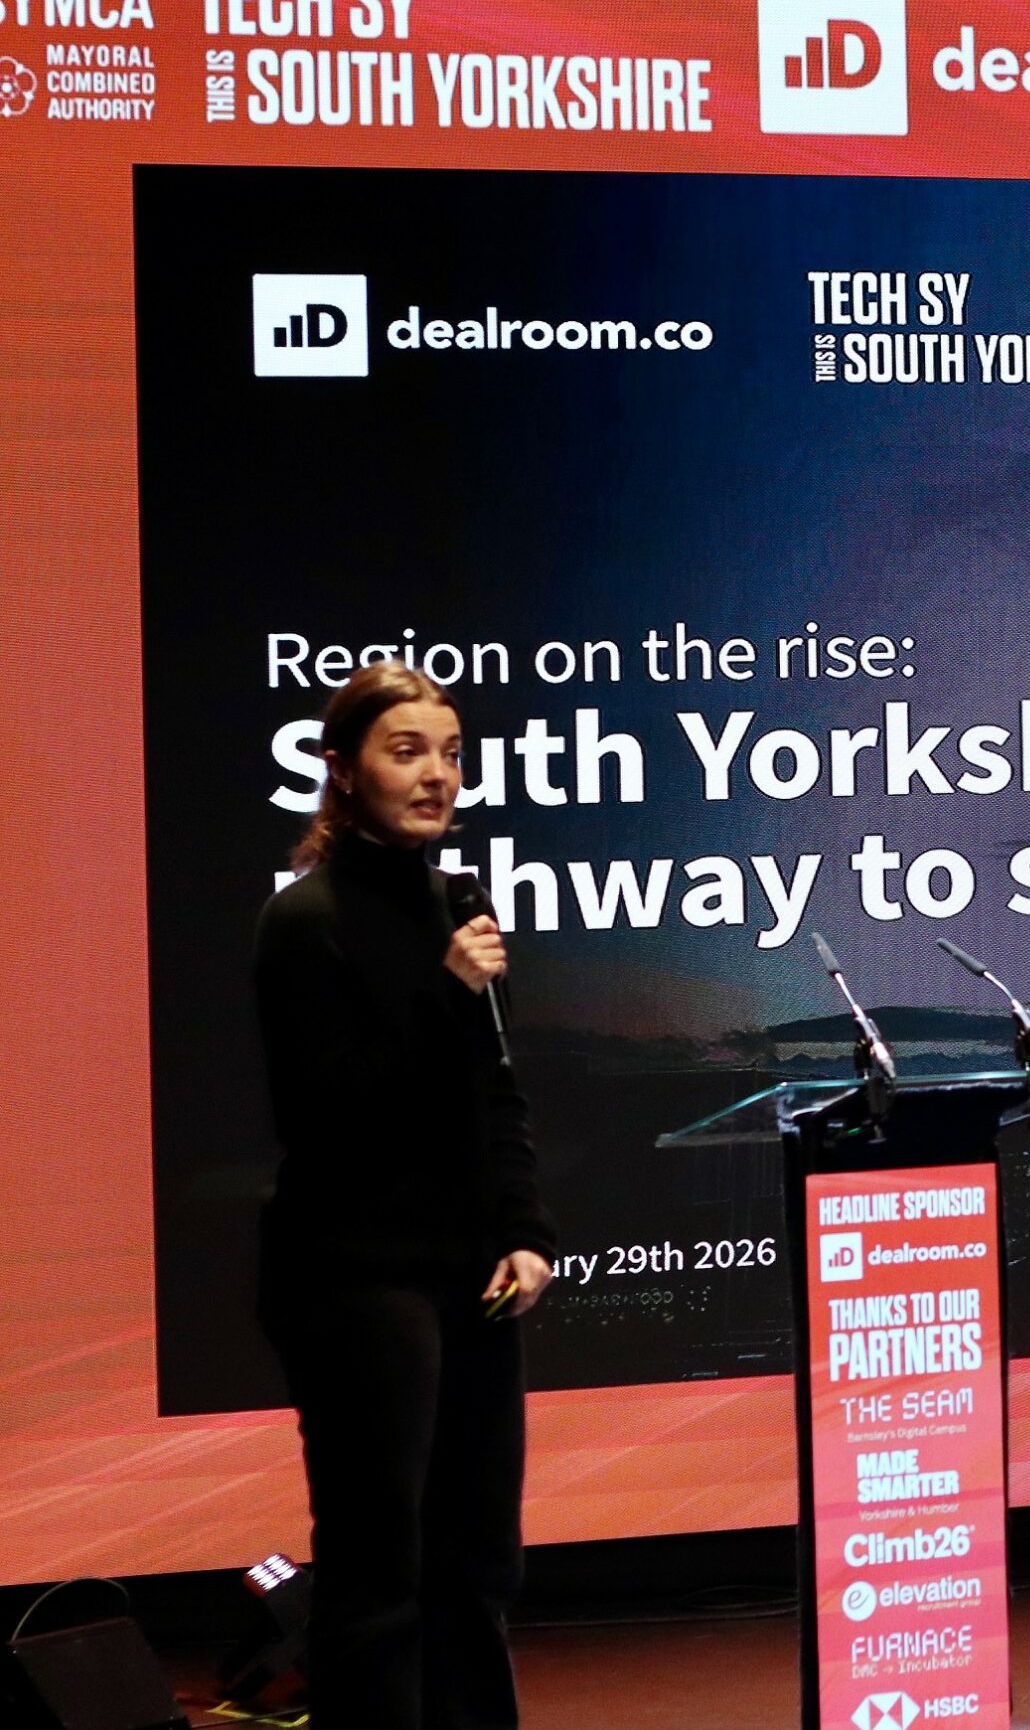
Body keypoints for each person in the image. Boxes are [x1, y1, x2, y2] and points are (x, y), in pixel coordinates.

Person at [253, 662, 556, 1730]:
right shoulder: (306, 920)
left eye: (452, 754)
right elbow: (332, 1114)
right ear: (343, 770)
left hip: (469, 1274)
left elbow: (494, 1089)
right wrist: (445, 992)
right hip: (353, 1275)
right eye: (407, 751)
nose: (437, 775)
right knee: (380, 1566)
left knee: (479, 1559)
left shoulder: (456, 905)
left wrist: (523, 1230)